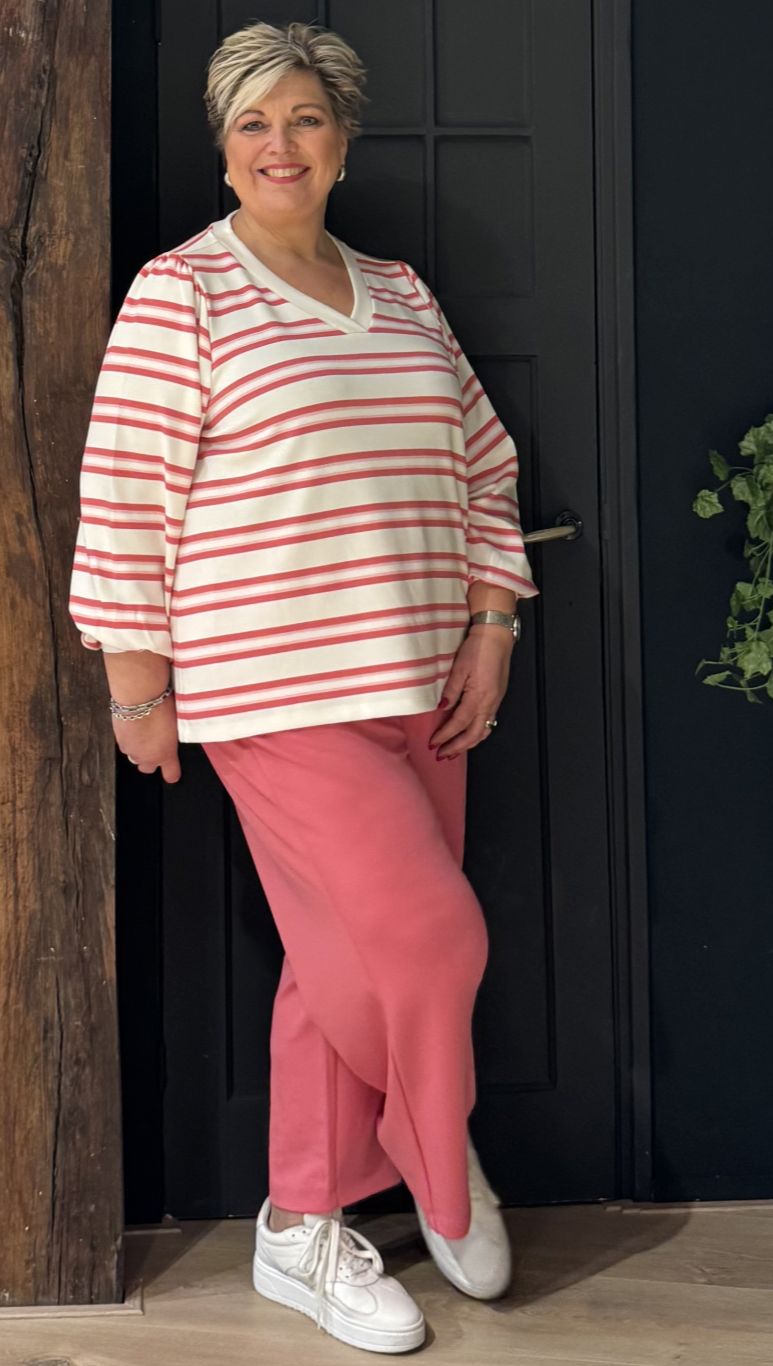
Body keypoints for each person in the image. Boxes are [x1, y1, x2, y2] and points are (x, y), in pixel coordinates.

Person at [69, 18, 538, 1356]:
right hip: (275, 693)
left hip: (422, 679)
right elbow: (127, 500)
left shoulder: (401, 291)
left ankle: (301, 1227)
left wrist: (492, 623)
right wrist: (137, 692)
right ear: (223, 150)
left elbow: (483, 463)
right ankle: (434, 1147)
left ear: (342, 142)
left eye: (306, 118)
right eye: (254, 122)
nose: (282, 143)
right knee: (430, 938)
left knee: (342, 964)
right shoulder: (183, 293)